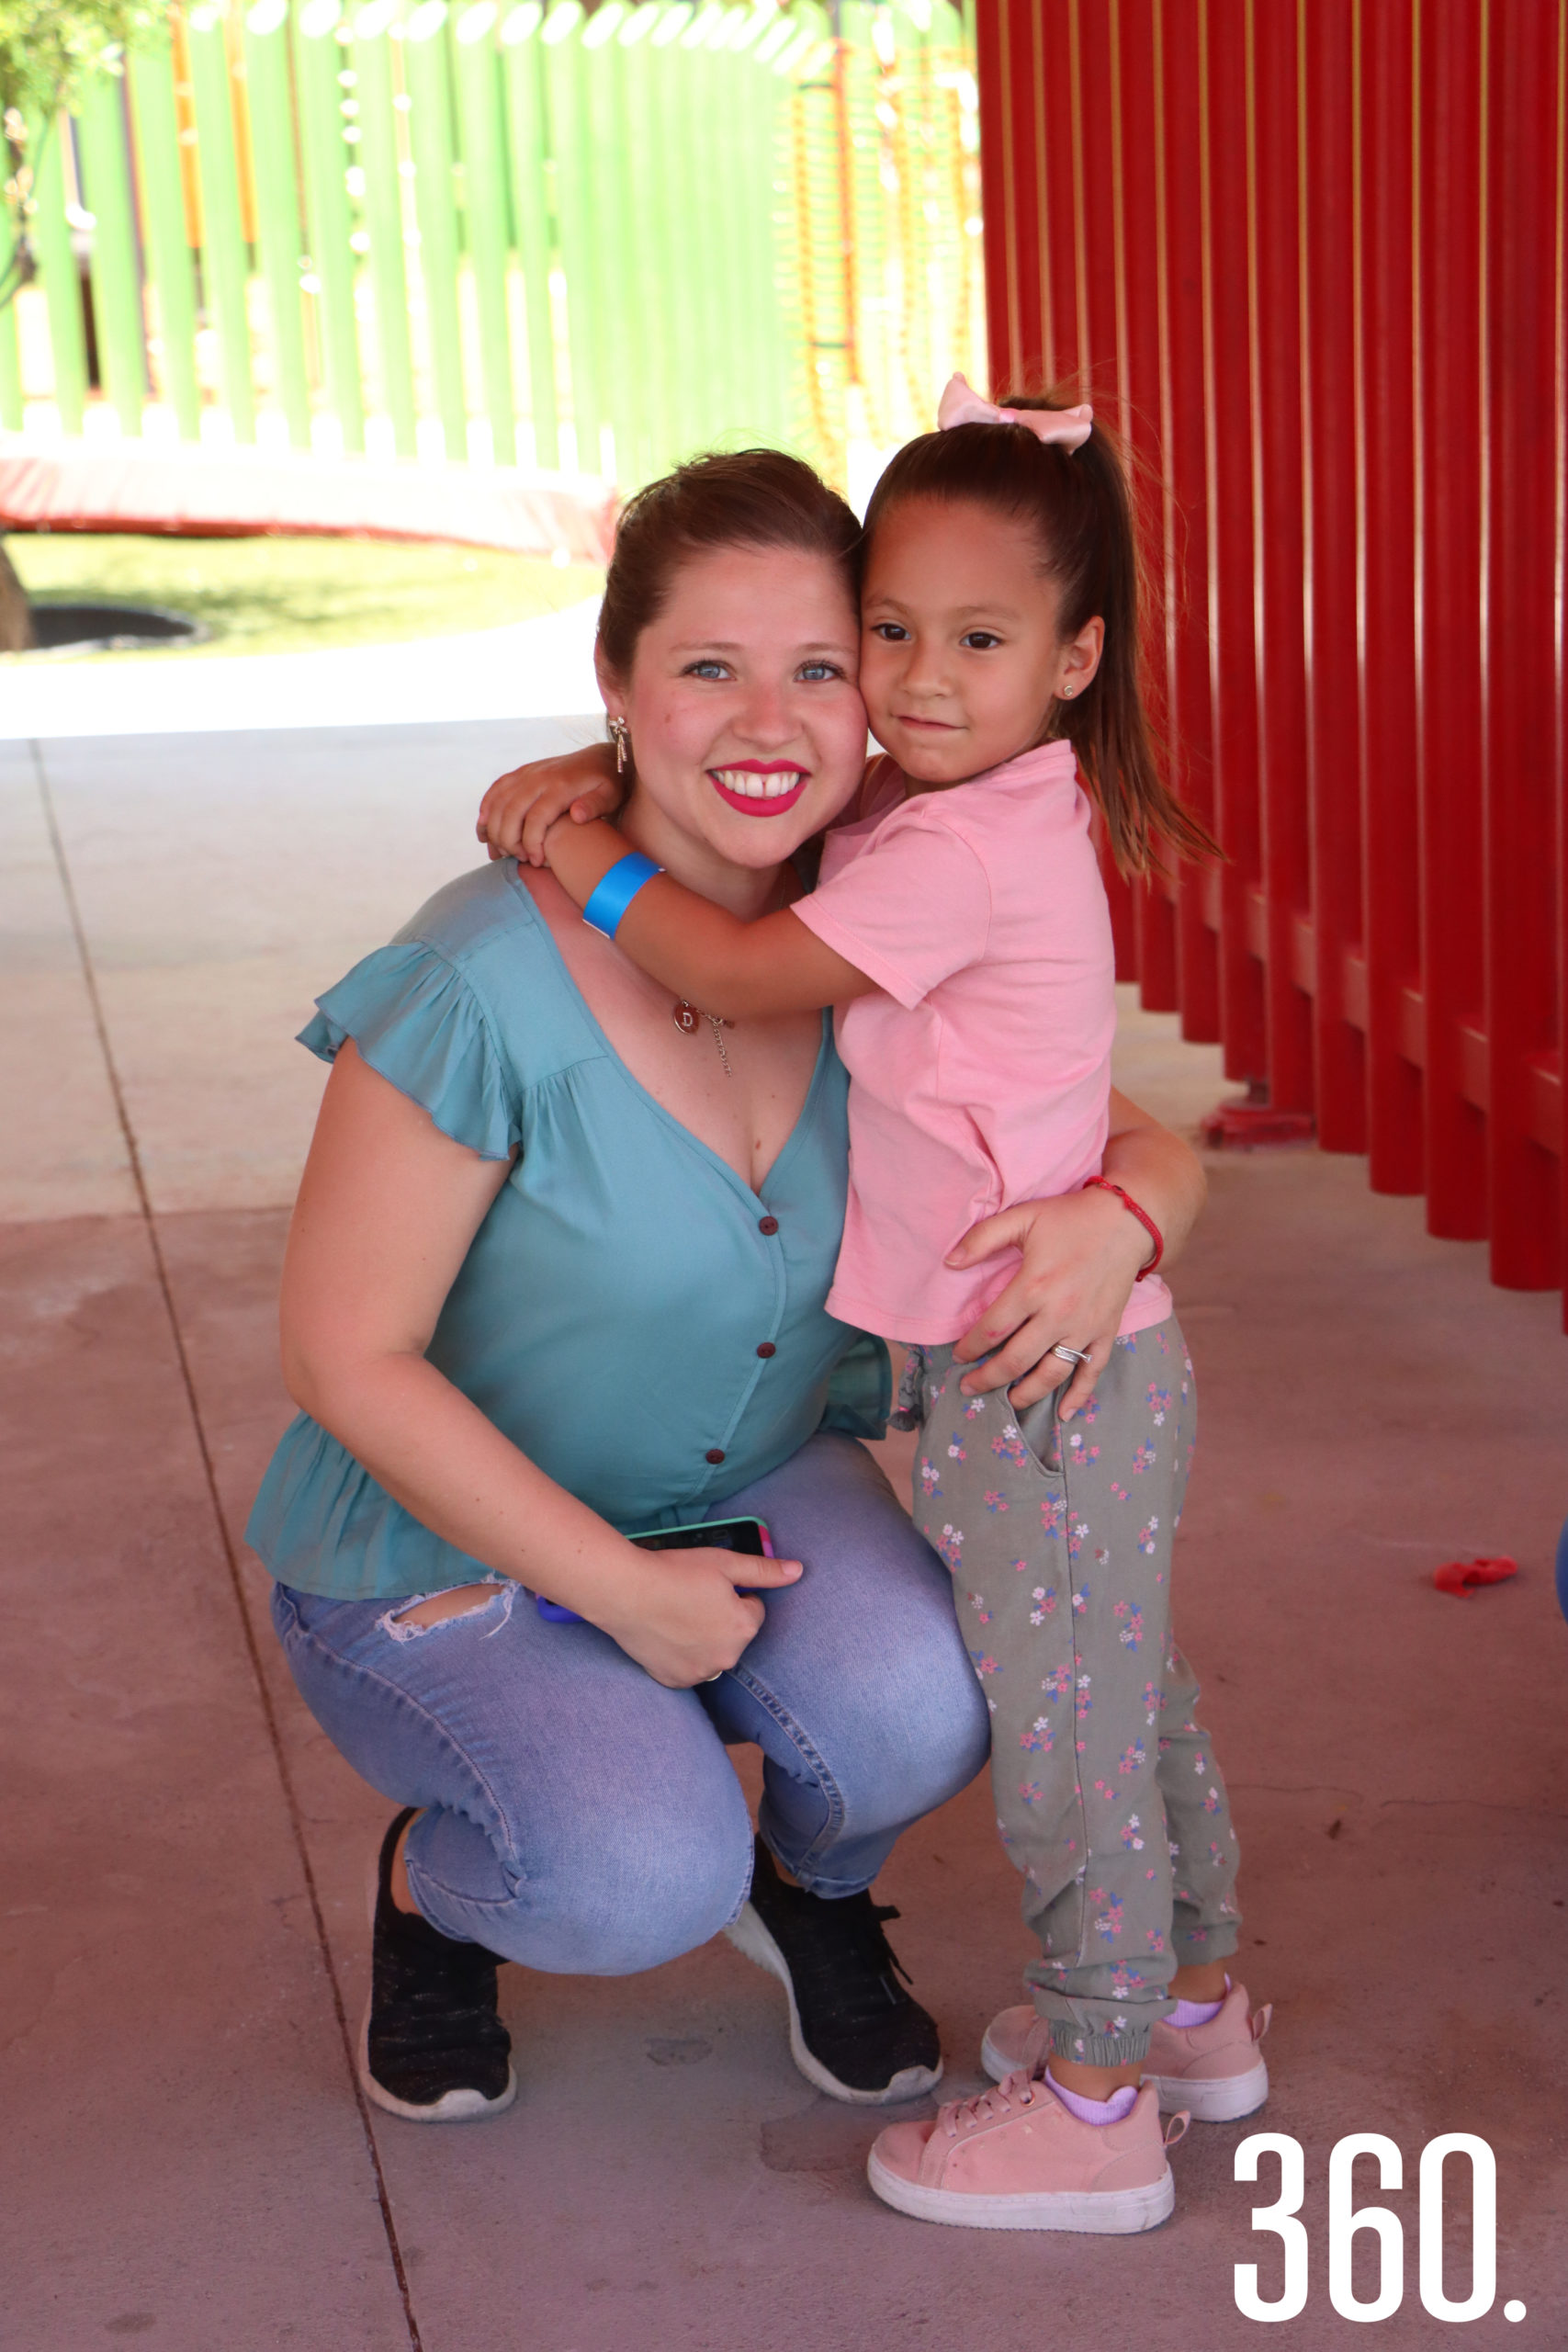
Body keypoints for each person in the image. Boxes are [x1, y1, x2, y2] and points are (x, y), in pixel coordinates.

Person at [249, 444, 1211, 2132]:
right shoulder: (481, 973)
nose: (770, 724)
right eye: (708, 669)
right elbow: (344, 1353)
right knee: (629, 1872)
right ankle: (433, 1895)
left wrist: (1129, 1216)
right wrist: (617, 1588)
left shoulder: (868, 917)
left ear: (880, 695)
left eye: (819, 669)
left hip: (749, 1480)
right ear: (614, 682)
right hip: (451, 1537)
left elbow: (1125, 1132)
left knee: (932, 1700)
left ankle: (813, 1882)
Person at [497, 380, 1270, 2231]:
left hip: (1033, 1369)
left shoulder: (952, 843)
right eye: (890, 635)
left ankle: (1091, 2095)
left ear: (1078, 655)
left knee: (1064, 1722)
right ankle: (1187, 2009)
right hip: (1052, 1355)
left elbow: (741, 964)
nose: (919, 681)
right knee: (1120, 1689)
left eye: (979, 640)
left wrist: (570, 844)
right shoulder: (975, 797)